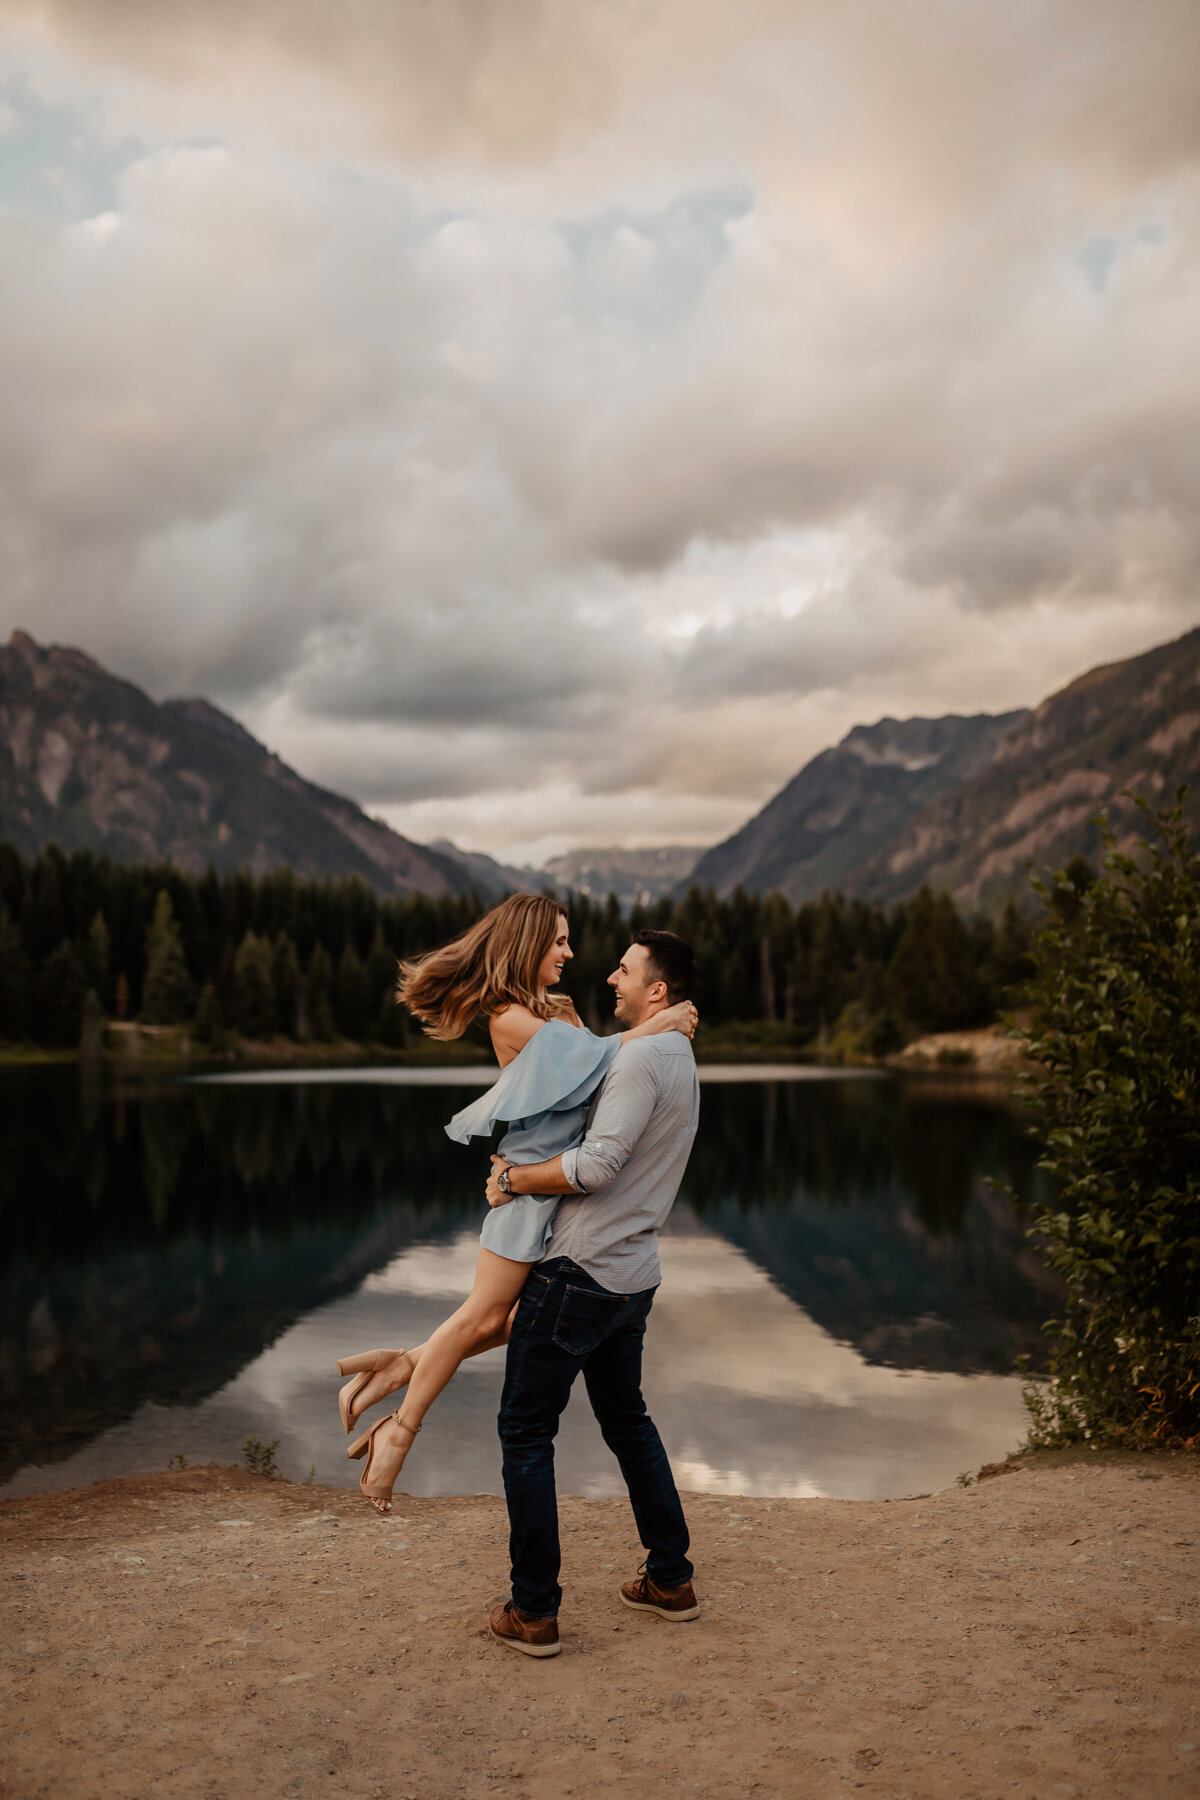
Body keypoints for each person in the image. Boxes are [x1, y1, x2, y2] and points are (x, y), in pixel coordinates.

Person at [335, 894, 697, 1514]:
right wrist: (654, 1027)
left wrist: (638, 1036)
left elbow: (600, 1079)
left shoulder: (555, 1008)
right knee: (486, 1320)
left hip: (548, 1192)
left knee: (514, 1324)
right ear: (527, 944)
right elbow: (590, 1061)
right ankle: (397, 1434)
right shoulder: (506, 1016)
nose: (569, 952)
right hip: (523, 1195)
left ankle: (404, 1364)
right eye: (558, 941)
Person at [485, 927, 701, 1659]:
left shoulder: (641, 1057)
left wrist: (512, 1179)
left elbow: (598, 1164)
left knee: (524, 1430)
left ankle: (534, 1611)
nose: (612, 978)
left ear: (657, 991)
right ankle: (670, 1579)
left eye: (625, 970)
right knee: (627, 1421)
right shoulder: (676, 1052)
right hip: (633, 1276)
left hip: (580, 1272)